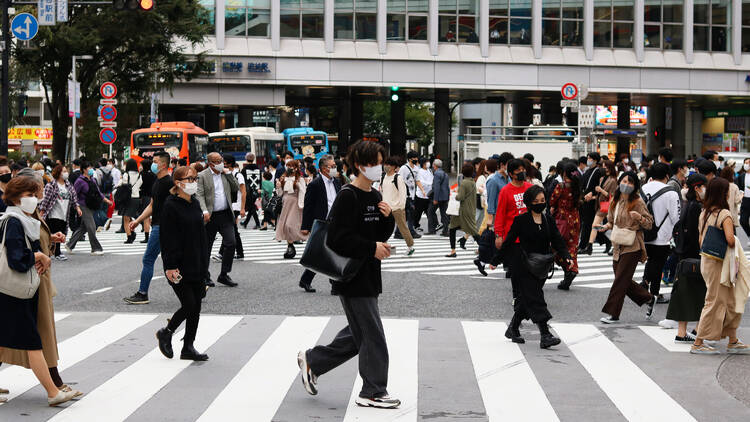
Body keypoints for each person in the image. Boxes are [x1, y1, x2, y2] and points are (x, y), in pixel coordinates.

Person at [297, 140, 401, 409]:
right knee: (373, 334)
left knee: (360, 334)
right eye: (373, 163)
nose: (378, 167)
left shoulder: (375, 196)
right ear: (358, 165)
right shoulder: (348, 195)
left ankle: (314, 360)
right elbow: (337, 239)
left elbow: (379, 234)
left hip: (368, 272)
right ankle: (373, 390)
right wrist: (371, 248)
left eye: (380, 162)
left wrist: (388, 218)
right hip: (351, 276)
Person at [0, 176, 78, 406]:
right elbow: (16, 258)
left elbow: (31, 248)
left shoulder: (23, 220)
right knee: (32, 342)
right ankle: (53, 391)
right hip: (14, 292)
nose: (34, 199)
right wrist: (38, 256)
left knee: (7, 339)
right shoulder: (14, 220)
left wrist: (44, 250)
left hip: (17, 291)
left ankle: (54, 389)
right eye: (29, 195)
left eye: (35, 195)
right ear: (15, 197)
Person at [490, 185, 571, 348]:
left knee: (526, 300)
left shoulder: (548, 219)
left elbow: (556, 239)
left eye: (542, 200)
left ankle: (513, 328)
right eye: (536, 201)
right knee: (536, 299)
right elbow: (509, 241)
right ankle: (545, 335)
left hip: (541, 266)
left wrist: (566, 256)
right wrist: (496, 260)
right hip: (523, 265)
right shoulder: (521, 220)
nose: (540, 203)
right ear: (528, 203)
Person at [155, 166, 211, 361]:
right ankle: (166, 332)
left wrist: (205, 265)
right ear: (178, 183)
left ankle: (188, 347)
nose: (194, 182)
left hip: (197, 262)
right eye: (190, 179)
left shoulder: (194, 203)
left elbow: (201, 236)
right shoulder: (171, 205)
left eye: (195, 178)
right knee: (189, 304)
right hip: (178, 265)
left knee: (196, 306)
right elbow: (167, 238)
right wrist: (170, 266)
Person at [690, 177, 750, 354]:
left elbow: (701, 241)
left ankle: (732, 340)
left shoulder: (705, 212)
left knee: (728, 301)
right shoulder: (724, 214)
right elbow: (731, 240)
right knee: (715, 302)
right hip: (721, 265)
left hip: (708, 262)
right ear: (723, 193)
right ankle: (698, 343)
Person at [598, 172, 655, 324]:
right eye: (624, 181)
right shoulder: (615, 200)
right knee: (622, 279)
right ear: (619, 182)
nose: (627, 185)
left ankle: (613, 313)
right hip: (617, 244)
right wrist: (605, 226)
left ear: (635, 186)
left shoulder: (638, 202)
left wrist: (639, 218)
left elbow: (649, 223)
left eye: (630, 183)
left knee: (620, 280)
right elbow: (611, 221)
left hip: (633, 245)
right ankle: (648, 299)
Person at [123, 152, 173, 305]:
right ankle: (196, 286)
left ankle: (142, 293)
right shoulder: (157, 182)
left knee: (149, 259)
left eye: (156, 161)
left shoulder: (168, 183)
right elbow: (152, 205)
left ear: (163, 165)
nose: (153, 163)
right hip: (158, 225)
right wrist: (137, 221)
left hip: (162, 227)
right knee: (170, 261)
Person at [665, 174, 707, 343]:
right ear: (697, 188)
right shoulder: (696, 207)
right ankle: (695, 331)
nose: (706, 190)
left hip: (684, 255)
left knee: (685, 294)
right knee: (699, 294)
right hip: (693, 256)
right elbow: (695, 234)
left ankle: (684, 332)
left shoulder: (687, 204)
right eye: (705, 187)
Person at [639, 162, 681, 315]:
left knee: (651, 260)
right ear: (667, 176)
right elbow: (676, 217)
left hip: (644, 233)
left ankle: (646, 285)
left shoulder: (643, 189)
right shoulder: (671, 192)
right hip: (662, 235)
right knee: (658, 263)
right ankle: (653, 294)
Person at [298, 155, 342, 293]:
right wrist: (305, 227)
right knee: (320, 253)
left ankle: (334, 283)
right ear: (324, 169)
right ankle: (308, 280)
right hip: (322, 222)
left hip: (336, 221)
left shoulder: (337, 182)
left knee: (334, 252)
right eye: (332, 166)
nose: (335, 168)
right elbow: (308, 207)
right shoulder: (315, 184)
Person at [196, 152, 239, 287]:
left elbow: (236, 187)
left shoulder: (225, 174)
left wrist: (228, 174)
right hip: (210, 216)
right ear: (210, 164)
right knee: (206, 247)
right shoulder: (202, 176)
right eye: (218, 161)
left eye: (221, 160)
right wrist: (204, 211)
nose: (222, 163)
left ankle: (224, 274)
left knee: (231, 242)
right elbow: (199, 194)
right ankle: (204, 275)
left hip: (225, 214)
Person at [65, 161, 112, 256]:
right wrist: (75, 206)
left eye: (90, 167)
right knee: (91, 227)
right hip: (83, 206)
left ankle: (70, 245)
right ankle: (95, 248)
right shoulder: (79, 181)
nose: (90, 170)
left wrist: (107, 201)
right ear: (83, 170)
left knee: (84, 227)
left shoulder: (93, 180)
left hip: (91, 206)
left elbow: (98, 193)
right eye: (88, 168)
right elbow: (74, 194)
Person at [38, 164, 81, 261]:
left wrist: (77, 208)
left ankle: (53, 251)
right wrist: (42, 212)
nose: (66, 173)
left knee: (61, 232)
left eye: (66, 171)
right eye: (64, 171)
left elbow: (74, 197)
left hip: (64, 212)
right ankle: (56, 252)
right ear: (58, 173)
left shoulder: (68, 185)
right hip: (53, 213)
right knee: (55, 232)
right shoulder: (51, 185)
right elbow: (46, 200)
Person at [550, 163, 581, 290]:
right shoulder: (577, 185)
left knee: (557, 247)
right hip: (575, 220)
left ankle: (567, 269)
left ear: (564, 173)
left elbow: (552, 201)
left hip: (561, 220)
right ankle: (572, 269)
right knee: (572, 247)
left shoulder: (561, 186)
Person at [581, 160, 617, 255]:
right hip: (600, 205)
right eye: (603, 167)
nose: (604, 169)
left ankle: (592, 246)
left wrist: (601, 190)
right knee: (599, 226)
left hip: (607, 206)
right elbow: (600, 195)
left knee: (597, 225)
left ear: (610, 168)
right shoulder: (603, 178)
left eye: (605, 167)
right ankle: (592, 246)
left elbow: (612, 196)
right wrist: (593, 197)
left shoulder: (613, 180)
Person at [381, 157, 415, 256]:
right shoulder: (383, 177)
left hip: (397, 208)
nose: (386, 166)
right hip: (385, 207)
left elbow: (403, 193)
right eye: (385, 164)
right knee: (383, 228)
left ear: (394, 167)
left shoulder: (398, 178)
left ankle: (410, 246)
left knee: (403, 227)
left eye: (389, 165)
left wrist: (401, 206)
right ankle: (385, 247)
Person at [275, 159, 308, 259]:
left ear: (296, 167)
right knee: (285, 226)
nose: (289, 168)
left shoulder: (300, 179)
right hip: (285, 203)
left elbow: (303, 192)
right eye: (287, 166)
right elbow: (280, 194)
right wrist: (279, 186)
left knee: (291, 225)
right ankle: (290, 246)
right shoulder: (283, 178)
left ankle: (305, 240)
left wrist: (301, 205)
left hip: (295, 203)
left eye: (291, 166)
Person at [446, 164, 481, 258]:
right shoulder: (472, 182)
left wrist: (455, 194)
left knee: (468, 230)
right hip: (470, 209)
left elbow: (460, 197)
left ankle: (453, 251)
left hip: (462, 211)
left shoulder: (464, 183)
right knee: (471, 230)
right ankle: (454, 250)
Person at [219, 155, 246, 260]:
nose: (222, 164)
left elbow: (243, 192)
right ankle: (239, 253)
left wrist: (243, 208)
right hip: (229, 205)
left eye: (224, 162)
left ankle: (222, 252)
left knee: (230, 228)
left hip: (236, 205)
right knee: (233, 229)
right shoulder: (225, 174)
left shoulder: (238, 175)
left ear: (229, 164)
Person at [578, 152, 603, 251]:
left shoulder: (598, 171)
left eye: (590, 158)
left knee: (588, 224)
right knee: (587, 223)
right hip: (585, 200)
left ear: (595, 160)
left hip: (592, 201)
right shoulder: (588, 171)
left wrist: (592, 194)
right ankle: (603, 241)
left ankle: (583, 245)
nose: (588, 160)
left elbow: (599, 187)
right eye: (588, 158)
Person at [396, 151, 422, 239]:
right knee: (410, 213)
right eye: (414, 158)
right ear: (410, 159)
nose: (416, 159)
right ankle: (410, 231)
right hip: (405, 195)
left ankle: (398, 232)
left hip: (412, 195)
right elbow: (399, 180)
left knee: (407, 215)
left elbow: (417, 180)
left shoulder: (416, 169)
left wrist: (422, 190)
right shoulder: (404, 168)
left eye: (417, 157)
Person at [117, 159, 144, 244]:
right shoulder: (139, 175)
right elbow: (140, 184)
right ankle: (131, 233)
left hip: (128, 199)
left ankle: (129, 236)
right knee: (130, 217)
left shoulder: (126, 174)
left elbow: (121, 185)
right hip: (136, 198)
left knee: (126, 218)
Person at [427, 159, 450, 236]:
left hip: (438, 197)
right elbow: (447, 187)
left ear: (435, 165)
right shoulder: (445, 173)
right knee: (444, 214)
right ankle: (446, 231)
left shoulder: (436, 174)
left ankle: (432, 230)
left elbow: (436, 187)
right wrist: (447, 197)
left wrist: (435, 199)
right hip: (444, 197)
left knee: (430, 212)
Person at [137, 159, 156, 244]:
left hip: (144, 197)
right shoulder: (154, 174)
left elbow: (139, 186)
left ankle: (147, 237)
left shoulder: (142, 174)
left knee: (146, 217)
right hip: (153, 196)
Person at [720, 165, 742, 233]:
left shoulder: (719, 184)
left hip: (720, 214)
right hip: (731, 215)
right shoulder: (734, 186)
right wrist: (741, 195)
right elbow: (737, 200)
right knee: (732, 235)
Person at [414, 158, 433, 231]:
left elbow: (432, 179)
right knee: (418, 212)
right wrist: (430, 184)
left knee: (429, 211)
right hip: (421, 195)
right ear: (423, 164)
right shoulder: (420, 172)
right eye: (426, 162)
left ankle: (433, 226)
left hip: (429, 195)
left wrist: (430, 185)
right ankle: (415, 225)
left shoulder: (429, 170)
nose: (428, 163)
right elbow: (421, 182)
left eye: (428, 161)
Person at [738, 157, 750, 244]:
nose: (747, 164)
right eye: (745, 163)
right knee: (743, 221)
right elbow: (740, 188)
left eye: (748, 163)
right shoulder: (741, 176)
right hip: (745, 200)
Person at [474, 160, 488, 229]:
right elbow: (478, 189)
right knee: (478, 216)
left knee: (480, 217)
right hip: (480, 198)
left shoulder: (483, 176)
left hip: (480, 198)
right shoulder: (482, 177)